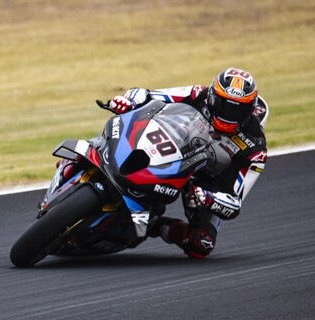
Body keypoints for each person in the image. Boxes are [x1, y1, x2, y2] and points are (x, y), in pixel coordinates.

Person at [93, 67, 269, 259]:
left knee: (201, 244)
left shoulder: (255, 149)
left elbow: (234, 204)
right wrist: (128, 101)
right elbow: (148, 94)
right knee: (124, 127)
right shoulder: (197, 94)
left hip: (204, 182)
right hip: (173, 145)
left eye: (238, 110)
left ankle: (154, 226)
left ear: (250, 112)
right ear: (212, 96)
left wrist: (208, 198)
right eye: (223, 105)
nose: (228, 115)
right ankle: (92, 153)